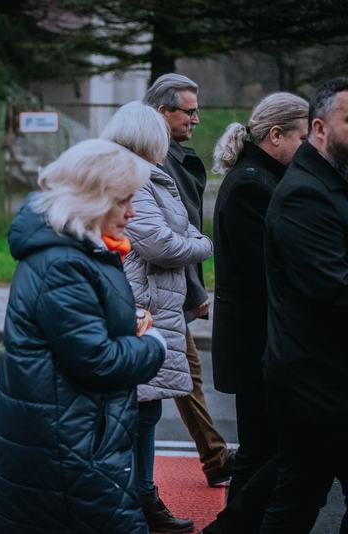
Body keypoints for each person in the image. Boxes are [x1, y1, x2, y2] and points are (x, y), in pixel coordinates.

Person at [0, 138, 166, 533]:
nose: (132, 212)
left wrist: (124, 321)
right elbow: (96, 359)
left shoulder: (75, 249)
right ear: (92, 199)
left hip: (70, 437)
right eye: (123, 201)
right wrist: (153, 346)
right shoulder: (65, 262)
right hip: (70, 448)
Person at [103, 101, 211, 533]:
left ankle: (140, 498)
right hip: (141, 303)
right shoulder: (134, 176)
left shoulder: (143, 173)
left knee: (143, 410)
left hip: (151, 303)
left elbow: (177, 230)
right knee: (136, 410)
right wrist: (203, 246)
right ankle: (138, 499)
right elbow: (161, 243)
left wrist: (189, 238)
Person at [203, 92, 309, 534]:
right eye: (303, 137)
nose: (307, 147)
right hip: (257, 343)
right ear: (276, 135)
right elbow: (269, 269)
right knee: (272, 451)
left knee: (262, 451)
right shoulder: (253, 184)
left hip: (258, 341)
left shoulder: (260, 177)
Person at [259, 78, 348, 533]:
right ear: (319, 128)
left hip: (326, 378)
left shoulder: (330, 182)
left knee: (295, 495)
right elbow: (334, 290)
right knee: (295, 499)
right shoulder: (304, 194)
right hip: (315, 385)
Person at [143, 73, 233, 487]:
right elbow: (170, 237)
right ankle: (214, 457)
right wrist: (196, 291)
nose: (195, 119)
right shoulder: (157, 160)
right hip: (158, 289)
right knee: (180, 376)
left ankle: (215, 456)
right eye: (189, 112)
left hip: (167, 287)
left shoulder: (169, 155)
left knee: (184, 375)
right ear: (162, 112)